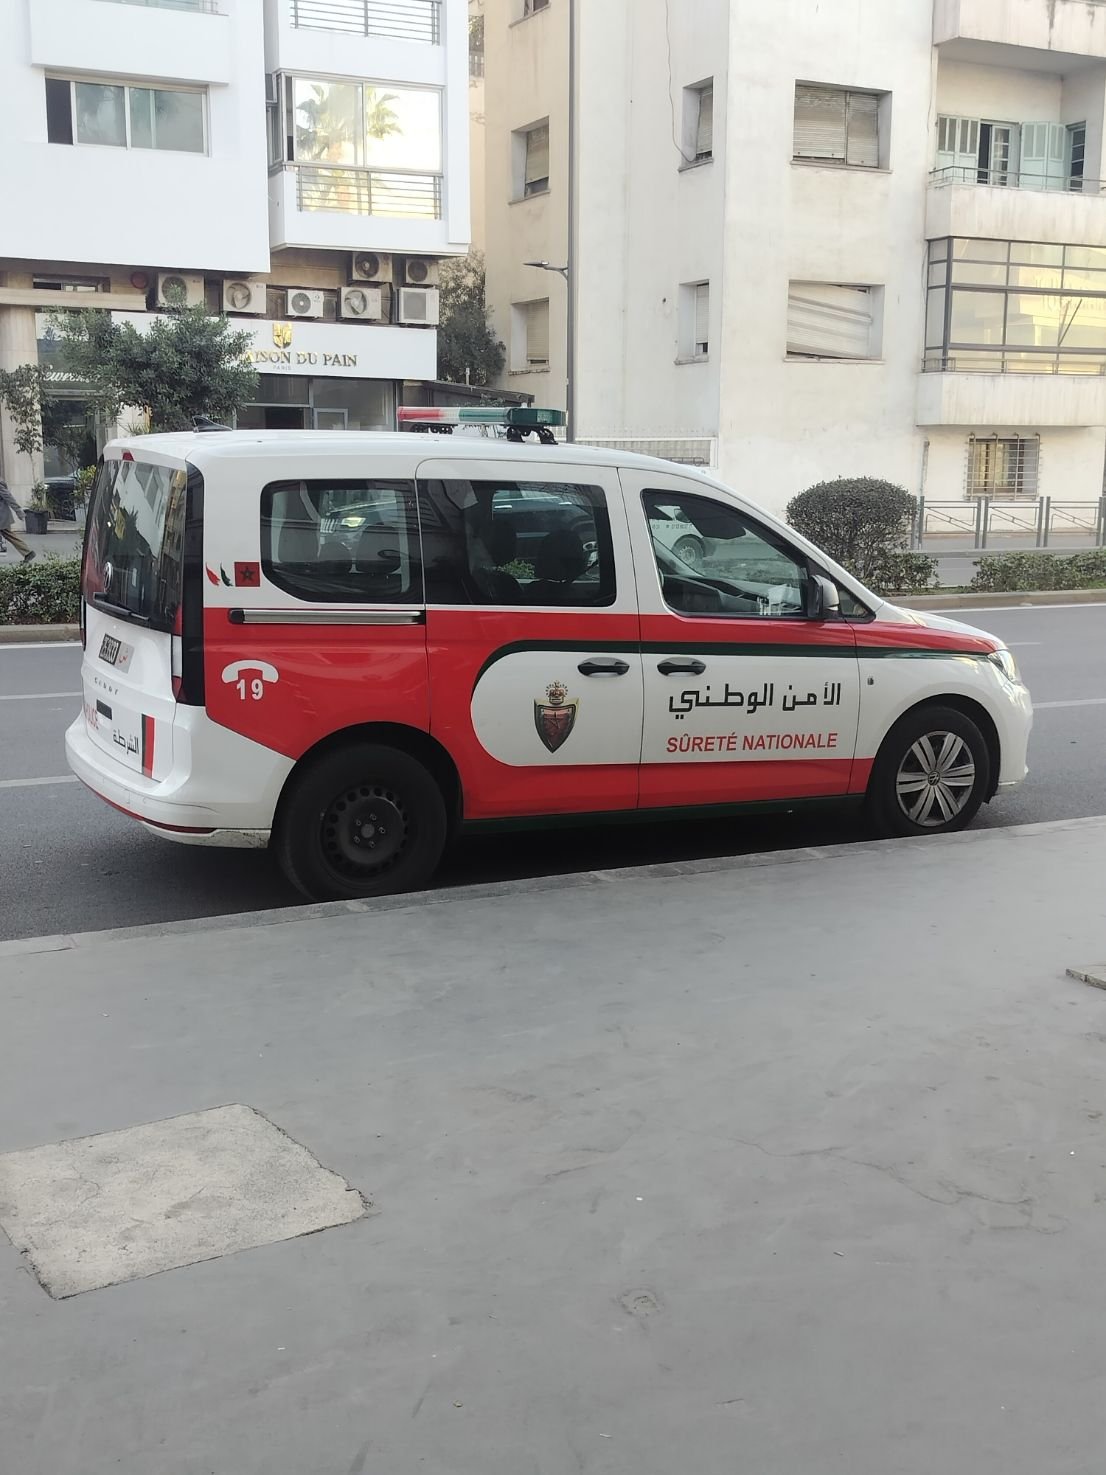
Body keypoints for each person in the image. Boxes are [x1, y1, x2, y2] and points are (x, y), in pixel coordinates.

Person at [0, 477, 36, 562]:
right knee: (9, 534)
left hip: (1, 514)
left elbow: (8, 497)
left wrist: (18, 510)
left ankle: (28, 552)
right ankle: (28, 552)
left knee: (8, 534)